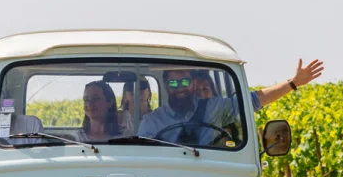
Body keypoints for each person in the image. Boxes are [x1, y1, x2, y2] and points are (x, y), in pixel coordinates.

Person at [138, 59, 324, 147]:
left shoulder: (212, 108)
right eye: (173, 83)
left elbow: (253, 101)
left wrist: (293, 83)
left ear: (193, 84)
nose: (179, 88)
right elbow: (144, 161)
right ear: (166, 86)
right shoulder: (151, 122)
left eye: (184, 82)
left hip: (208, 174)